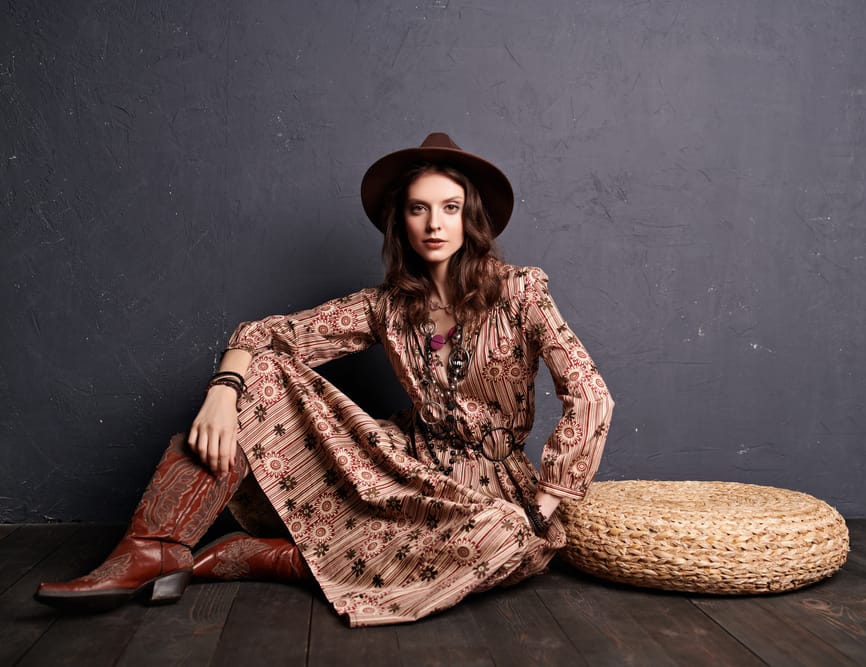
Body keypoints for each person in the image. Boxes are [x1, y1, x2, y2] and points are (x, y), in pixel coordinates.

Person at [35, 133, 614, 627]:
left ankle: (274, 558)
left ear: (471, 217)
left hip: (490, 491)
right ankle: (154, 547)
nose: (435, 223)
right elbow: (265, 335)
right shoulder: (385, 306)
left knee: (507, 538)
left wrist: (547, 501)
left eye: (450, 207)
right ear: (401, 220)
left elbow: (589, 393)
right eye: (418, 208)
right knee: (258, 370)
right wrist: (222, 392)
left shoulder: (519, 291)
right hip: (403, 464)